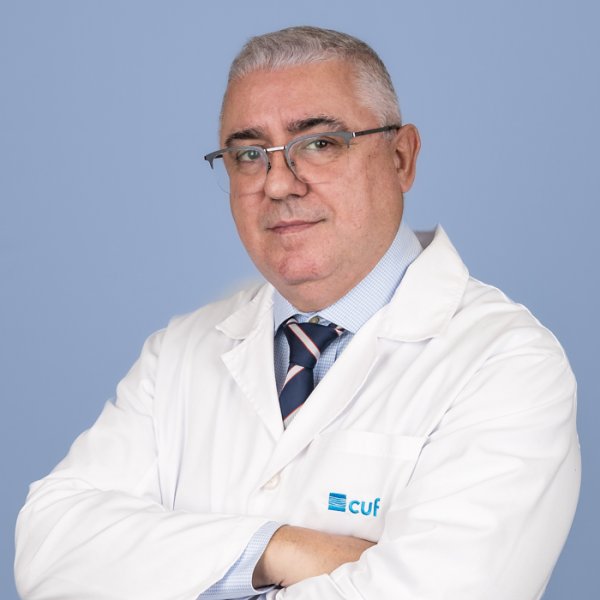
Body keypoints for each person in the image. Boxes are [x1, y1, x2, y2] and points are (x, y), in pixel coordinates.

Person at [15, 26, 580, 600]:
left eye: (319, 144)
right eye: (249, 155)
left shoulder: (507, 364)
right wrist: (277, 549)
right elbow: (48, 546)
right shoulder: (178, 354)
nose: (279, 184)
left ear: (401, 158)